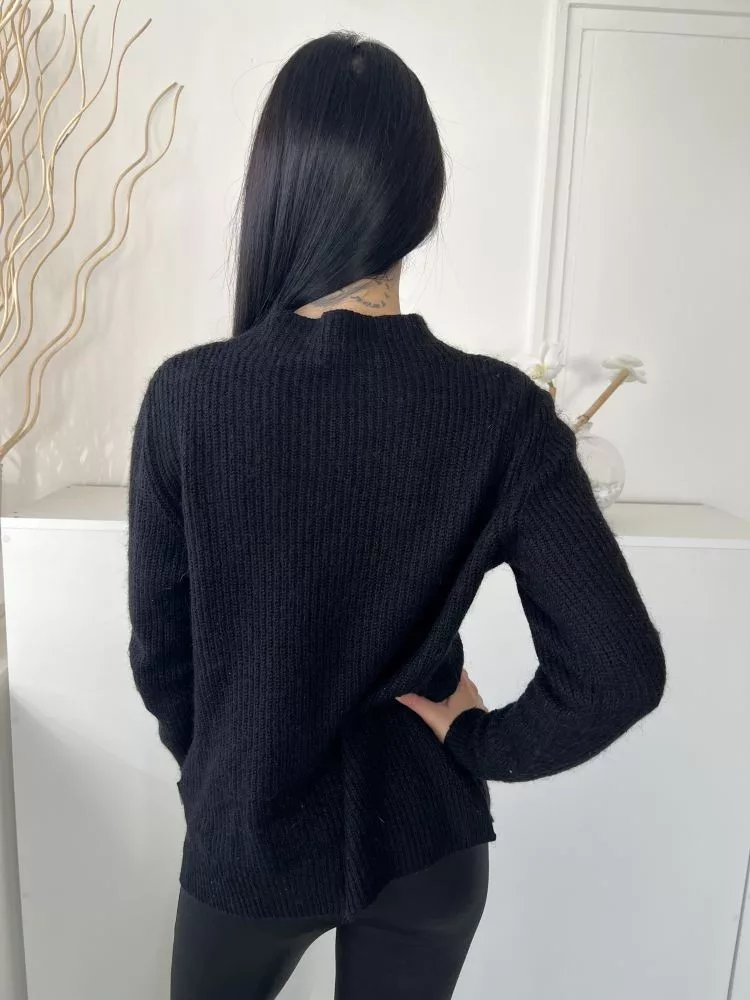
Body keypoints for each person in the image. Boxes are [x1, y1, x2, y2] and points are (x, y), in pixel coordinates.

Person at [127, 31, 666, 1000]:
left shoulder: (187, 399)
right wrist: (478, 743)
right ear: (424, 201)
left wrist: (220, 781)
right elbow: (617, 669)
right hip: (428, 843)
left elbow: (163, 660)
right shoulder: (500, 413)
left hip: (247, 839)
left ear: (276, 188)